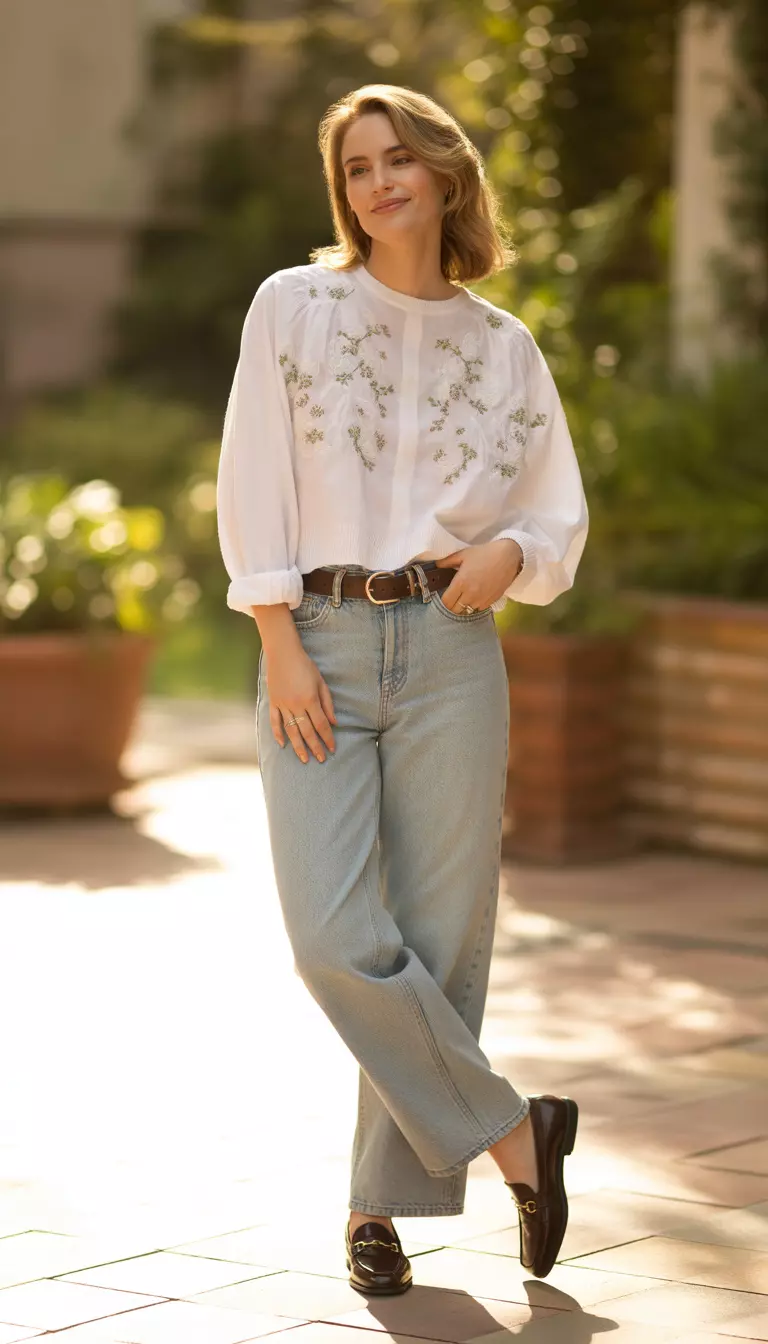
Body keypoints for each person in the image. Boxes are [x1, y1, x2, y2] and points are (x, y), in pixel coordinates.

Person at [216, 83, 587, 1295]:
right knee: (334, 935)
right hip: (314, 637)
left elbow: (555, 518)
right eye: (358, 165)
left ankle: (378, 1209)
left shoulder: (505, 346)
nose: (380, 182)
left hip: (450, 652)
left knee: (437, 937)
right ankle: (519, 1135)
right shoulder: (295, 307)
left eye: (399, 160)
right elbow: (252, 477)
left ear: (443, 174)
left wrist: (511, 557)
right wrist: (277, 635)